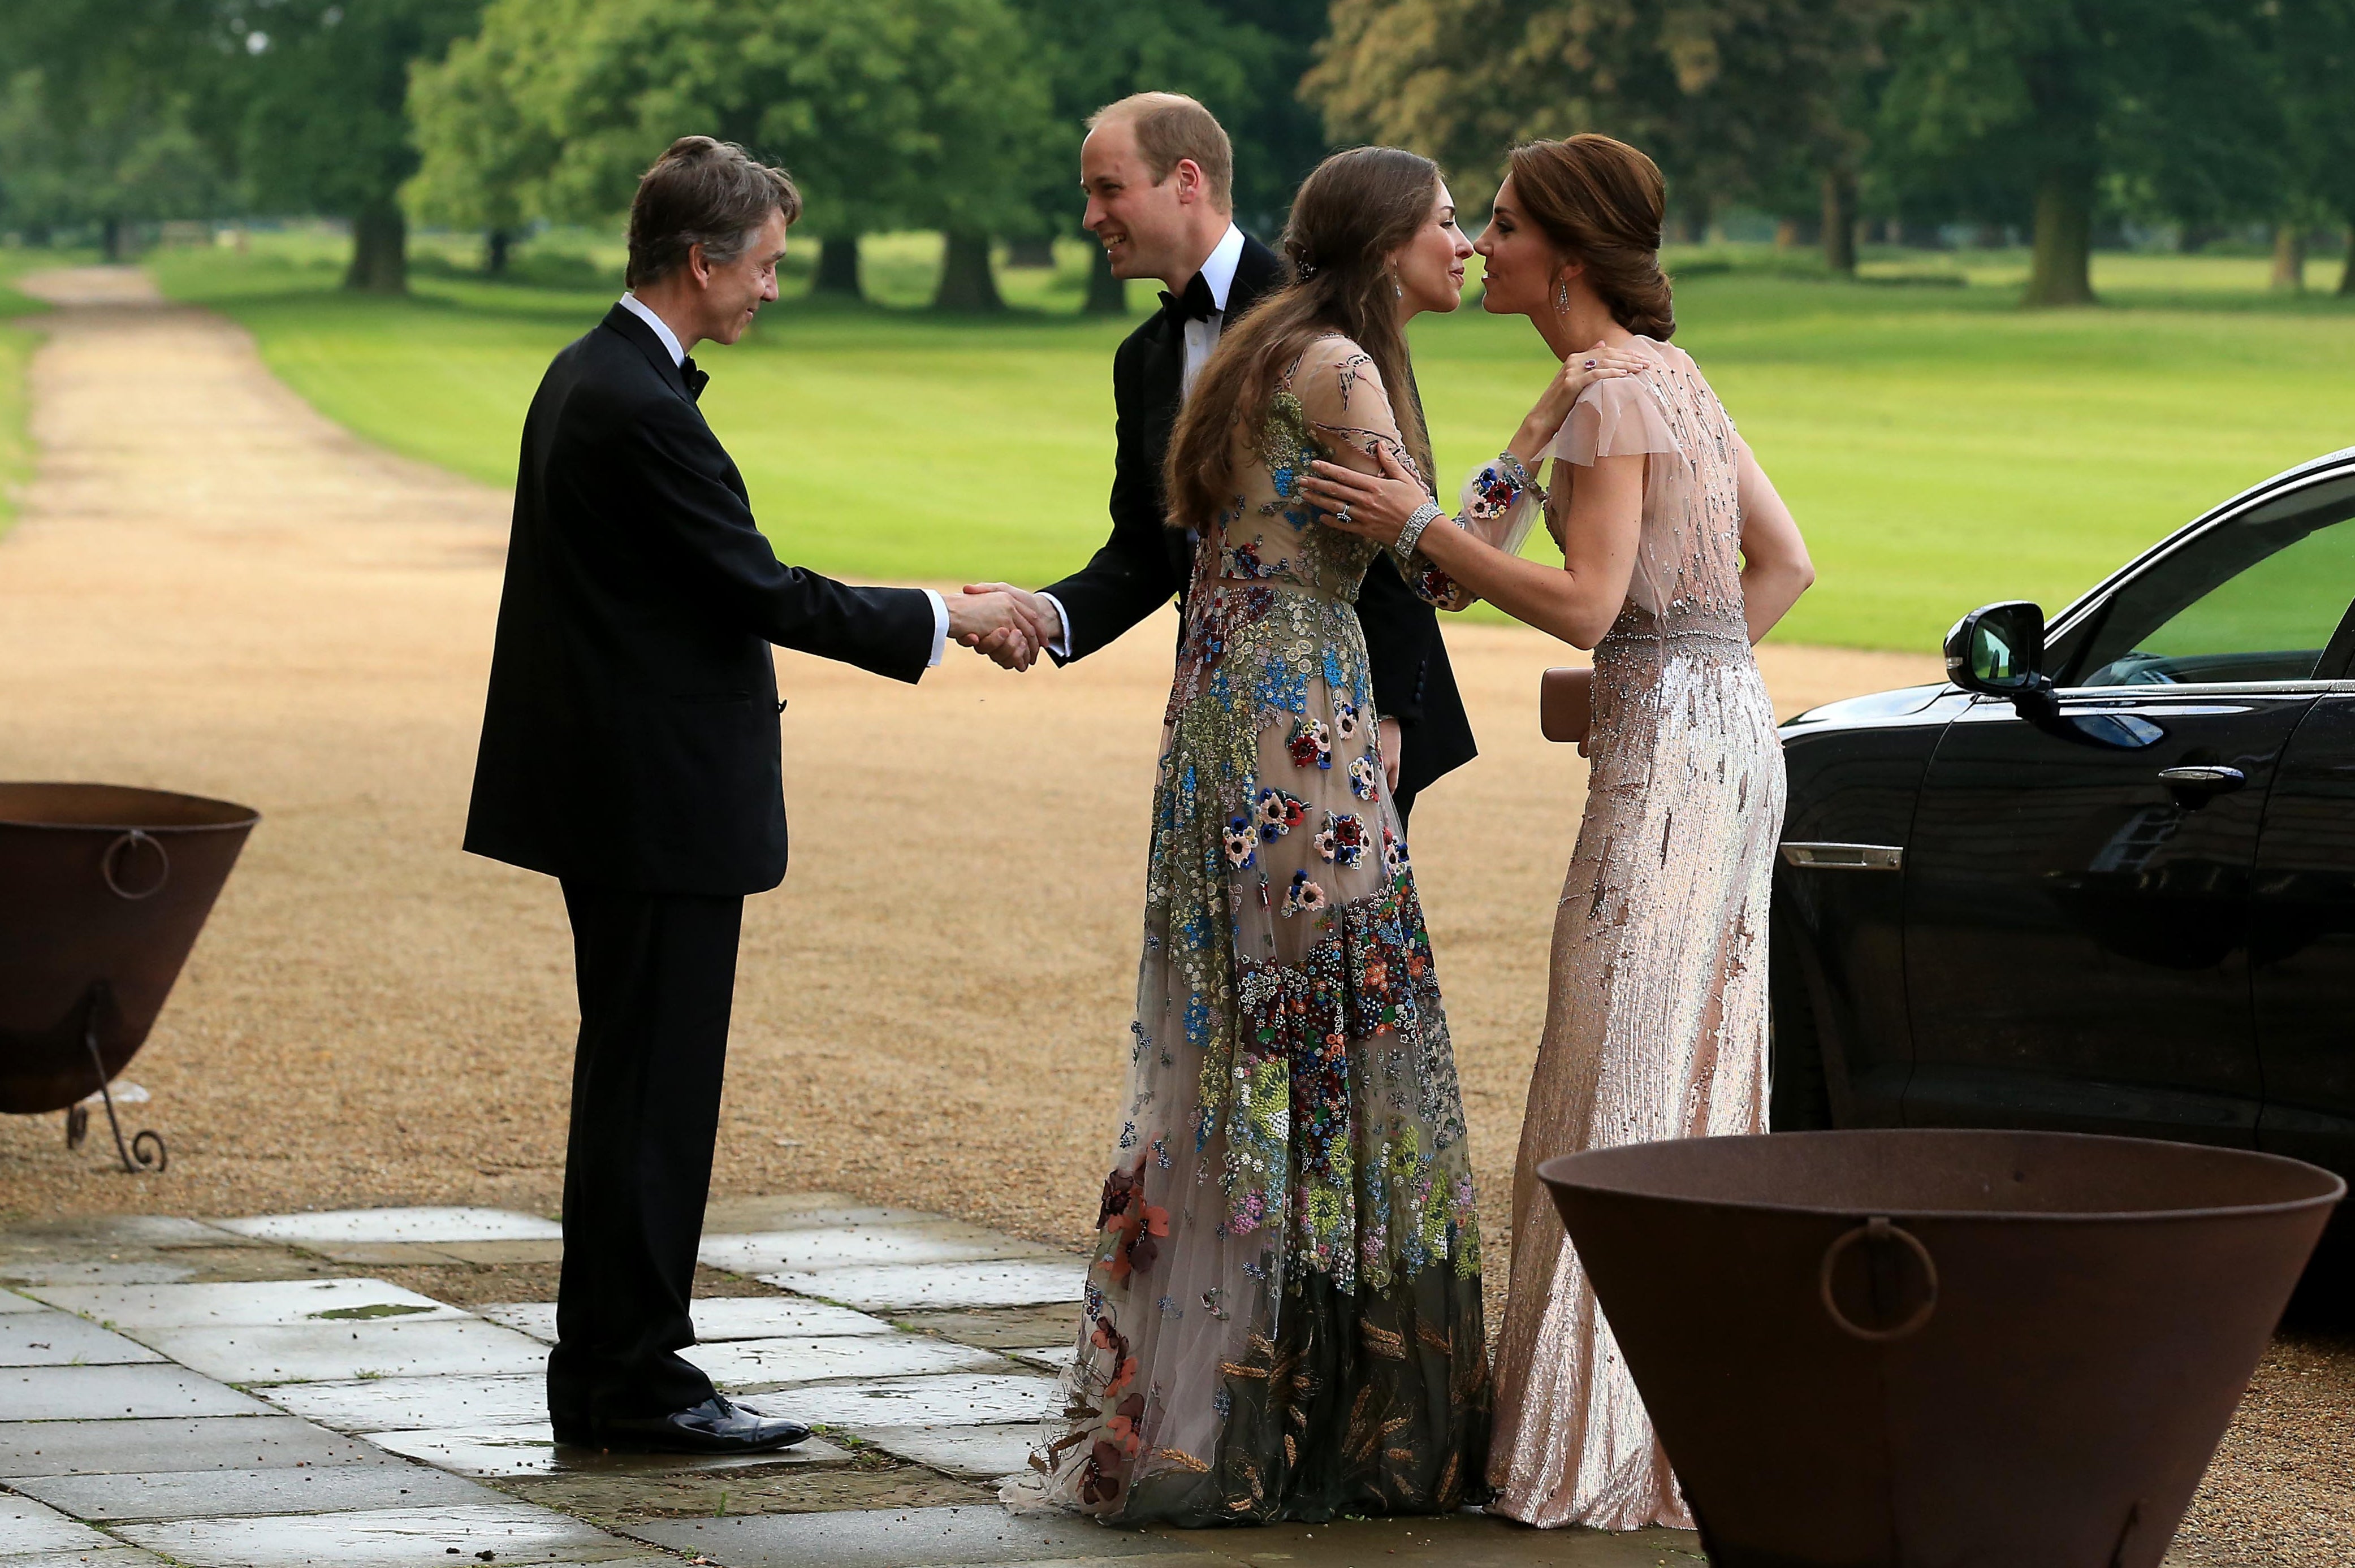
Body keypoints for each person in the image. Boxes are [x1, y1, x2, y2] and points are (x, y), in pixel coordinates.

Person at [463, 136, 1032, 1454]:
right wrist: (949, 613)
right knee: (653, 1099)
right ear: (702, 260)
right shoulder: (633, 403)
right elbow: (758, 587)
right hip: (652, 808)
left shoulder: (594, 377)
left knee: (632, 1091)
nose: (773, 287)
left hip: (623, 801)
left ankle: (607, 1367)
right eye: (763, 264)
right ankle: (638, 1383)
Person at [1004, 144, 1532, 1526]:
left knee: (1248, 1035)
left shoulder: (1264, 348)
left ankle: (1229, 1394)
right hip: (1301, 726)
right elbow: (1442, 571)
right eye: (1442, 223)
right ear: (1384, 243)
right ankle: (1321, 1417)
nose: (1463, 243)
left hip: (1228, 718)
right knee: (1334, 1031)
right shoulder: (1342, 368)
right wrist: (1527, 458)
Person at [1304, 133, 1814, 1529]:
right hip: (1726, 742)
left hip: (1669, 776)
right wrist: (1517, 467)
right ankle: (1664, 1434)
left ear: (1568, 260)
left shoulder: (1616, 396)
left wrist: (1417, 520)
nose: (1480, 246)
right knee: (1680, 1067)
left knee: (1620, 1076)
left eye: (1508, 225)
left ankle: (1593, 1458)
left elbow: (1582, 601)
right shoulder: (1649, 380)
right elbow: (1785, 564)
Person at [963, 92, 1475, 826]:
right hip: (1217, 700)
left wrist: (1390, 707)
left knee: (1322, 940)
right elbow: (1146, 548)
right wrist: (1043, 615)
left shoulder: (1319, 317)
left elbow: (1390, 512)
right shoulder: (1141, 357)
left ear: (1186, 180)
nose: (1089, 219)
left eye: (1109, 190)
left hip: (1344, 704)